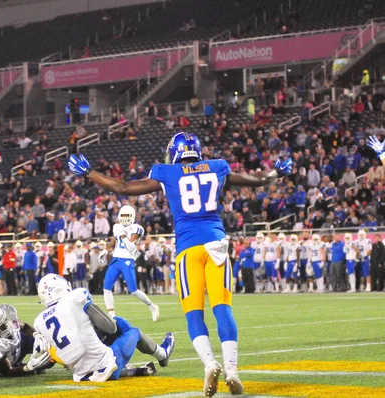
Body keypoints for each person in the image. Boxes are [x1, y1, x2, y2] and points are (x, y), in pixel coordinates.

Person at [67, 131, 293, 396]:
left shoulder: (168, 172)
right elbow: (256, 180)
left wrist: (89, 173)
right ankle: (232, 369)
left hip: (188, 249)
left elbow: (123, 188)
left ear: (175, 152)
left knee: (194, 314)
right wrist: (277, 172)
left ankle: (210, 364)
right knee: (223, 309)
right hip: (216, 244)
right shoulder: (217, 167)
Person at [33, 274, 175, 382]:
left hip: (80, 376)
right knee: (129, 329)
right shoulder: (75, 297)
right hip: (104, 368)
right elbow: (110, 328)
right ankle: (163, 354)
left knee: (92, 339)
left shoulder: (38, 322)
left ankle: (130, 370)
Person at [102, 205, 159, 321]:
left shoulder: (137, 228)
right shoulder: (117, 227)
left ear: (132, 216)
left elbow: (130, 246)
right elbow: (112, 244)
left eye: (127, 215)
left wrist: (122, 234)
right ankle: (112, 315)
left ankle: (152, 306)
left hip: (127, 260)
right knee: (106, 288)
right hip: (116, 259)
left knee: (133, 291)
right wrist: (104, 251)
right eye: (123, 215)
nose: (125, 218)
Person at [0, 304, 50, 376]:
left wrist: (36, 335)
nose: (7, 325)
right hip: (9, 357)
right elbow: (7, 371)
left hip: (20, 339)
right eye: (1, 326)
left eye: (5, 320)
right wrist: (27, 368)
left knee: (49, 341)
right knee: (35, 369)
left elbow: (24, 326)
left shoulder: (6, 312)